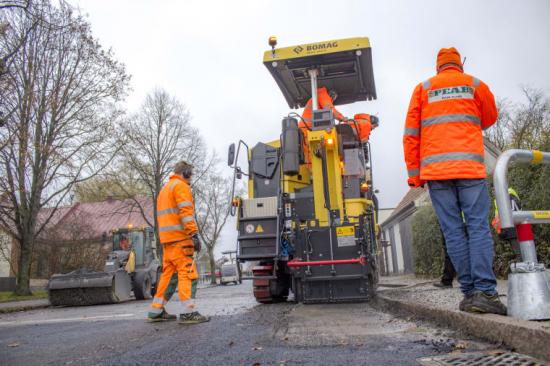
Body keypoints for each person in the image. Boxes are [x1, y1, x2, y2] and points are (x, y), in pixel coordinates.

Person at [403, 47, 506, 315]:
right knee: (478, 228)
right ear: (459, 64)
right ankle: (486, 292)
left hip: (436, 173)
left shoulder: (422, 89)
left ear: (438, 66)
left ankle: (470, 294)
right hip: (469, 167)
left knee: (453, 232)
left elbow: (411, 134)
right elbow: (490, 117)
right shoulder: (474, 84)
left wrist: (415, 175)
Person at [147, 161, 209, 324]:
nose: (191, 178)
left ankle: (156, 310)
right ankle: (188, 312)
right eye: (191, 175)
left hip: (167, 241)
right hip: (181, 239)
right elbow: (186, 213)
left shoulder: (164, 190)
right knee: (188, 273)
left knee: (168, 275)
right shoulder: (181, 187)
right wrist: (194, 234)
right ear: (186, 173)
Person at [300, 87, 347, 166]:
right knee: (309, 151)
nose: (333, 100)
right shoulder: (323, 95)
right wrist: (342, 118)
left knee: (308, 151)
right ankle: (311, 171)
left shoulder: (318, 97)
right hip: (306, 128)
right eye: (333, 98)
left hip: (307, 127)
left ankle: (311, 170)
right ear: (331, 95)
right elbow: (330, 109)